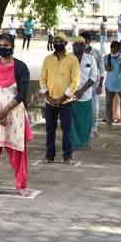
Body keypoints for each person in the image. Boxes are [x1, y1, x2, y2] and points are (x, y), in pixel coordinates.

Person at [0, 34, 32, 196]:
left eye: (6, 45)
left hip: (14, 115)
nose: (2, 48)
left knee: (17, 151)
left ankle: (21, 185)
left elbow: (23, 93)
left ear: (12, 47)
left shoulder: (21, 67)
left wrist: (4, 111)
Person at [39, 33, 80, 163]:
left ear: (65, 43)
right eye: (55, 41)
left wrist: (63, 98)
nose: (57, 43)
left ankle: (67, 156)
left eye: (60, 41)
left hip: (66, 101)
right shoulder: (47, 59)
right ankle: (49, 156)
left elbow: (75, 81)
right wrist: (48, 96)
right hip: (49, 100)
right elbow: (42, 79)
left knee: (67, 130)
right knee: (50, 129)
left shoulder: (72, 59)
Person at [70, 37, 98, 150]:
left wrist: (82, 91)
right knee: (72, 120)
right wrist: (72, 91)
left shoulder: (91, 59)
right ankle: (72, 143)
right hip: (70, 95)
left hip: (86, 95)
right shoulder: (68, 58)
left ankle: (86, 141)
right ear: (72, 46)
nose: (78, 47)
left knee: (86, 121)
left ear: (84, 46)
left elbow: (93, 76)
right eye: (75, 45)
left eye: (80, 45)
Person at [83, 34, 104, 138]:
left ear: (88, 41)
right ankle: (83, 129)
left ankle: (94, 128)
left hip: (94, 86)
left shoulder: (97, 54)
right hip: (81, 86)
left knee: (95, 108)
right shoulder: (75, 54)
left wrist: (100, 85)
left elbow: (102, 70)